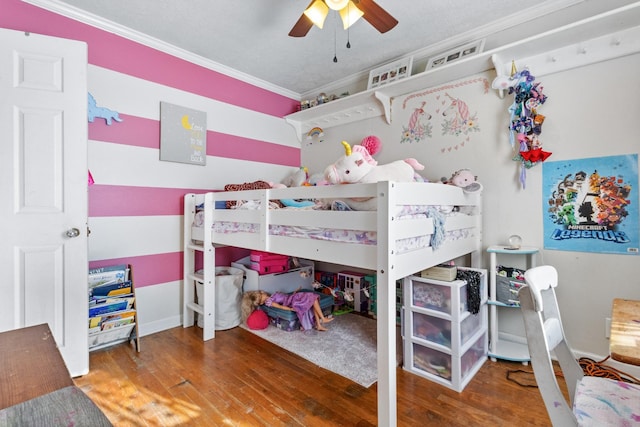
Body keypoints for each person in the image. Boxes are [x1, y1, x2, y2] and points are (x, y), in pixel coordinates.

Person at [241, 288, 334, 331]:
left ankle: (319, 325)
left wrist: (294, 292)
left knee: (313, 300)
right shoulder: (270, 302)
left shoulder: (271, 297)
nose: (264, 294)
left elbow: (285, 296)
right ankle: (322, 318)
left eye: (262, 293)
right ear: (261, 302)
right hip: (292, 301)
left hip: (292, 297)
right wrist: (290, 309)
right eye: (262, 296)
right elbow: (281, 306)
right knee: (312, 298)